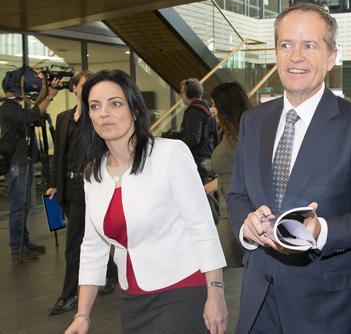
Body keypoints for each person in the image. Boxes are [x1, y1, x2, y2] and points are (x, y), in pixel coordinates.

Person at [227, 3, 351, 334]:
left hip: (327, 306)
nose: (295, 57)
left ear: (331, 57)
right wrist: (247, 226)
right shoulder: (253, 121)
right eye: (286, 44)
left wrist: (321, 231)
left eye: (310, 45)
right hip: (259, 300)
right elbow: (237, 195)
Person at [64, 70, 227, 334]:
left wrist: (216, 292)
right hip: (133, 296)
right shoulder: (93, 173)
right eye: (95, 106)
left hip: (182, 286)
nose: (103, 112)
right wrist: (83, 315)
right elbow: (93, 247)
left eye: (115, 103)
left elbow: (202, 226)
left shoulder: (169, 154)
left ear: (135, 110)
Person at [46, 71, 118, 316]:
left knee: (74, 244)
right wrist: (54, 183)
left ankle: (69, 295)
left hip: (89, 186)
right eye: (84, 86)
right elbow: (59, 155)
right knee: (96, 234)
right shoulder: (63, 117)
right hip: (68, 186)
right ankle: (112, 274)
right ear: (74, 88)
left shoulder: (95, 117)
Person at [0, 70, 59, 262]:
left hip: (23, 163)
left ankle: (24, 242)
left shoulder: (17, 107)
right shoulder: (8, 108)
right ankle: (17, 248)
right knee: (18, 207)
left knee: (25, 206)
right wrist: (49, 95)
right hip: (17, 165)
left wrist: (46, 93)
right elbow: (31, 115)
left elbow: (32, 114)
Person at [204, 81, 251, 268]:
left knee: (229, 280)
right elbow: (230, 174)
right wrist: (202, 189)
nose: (211, 110)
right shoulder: (234, 134)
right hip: (230, 216)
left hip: (233, 220)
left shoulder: (241, 136)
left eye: (214, 104)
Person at [164, 78, 216, 180]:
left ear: (189, 93)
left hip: (198, 160)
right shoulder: (206, 107)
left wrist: (175, 146)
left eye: (182, 92)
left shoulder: (194, 111)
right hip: (208, 156)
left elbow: (193, 139)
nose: (181, 95)